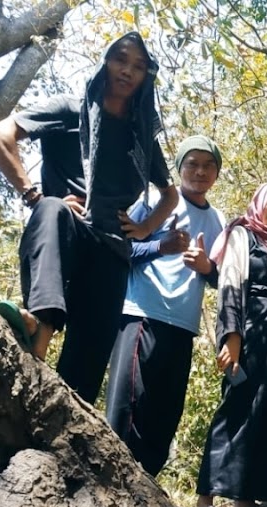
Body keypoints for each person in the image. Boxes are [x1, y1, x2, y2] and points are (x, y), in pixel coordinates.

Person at [0, 32, 178, 405]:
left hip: (113, 249)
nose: (128, 70)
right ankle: (38, 334)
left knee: (82, 379)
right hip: (69, 230)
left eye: (138, 66)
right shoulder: (69, 109)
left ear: (145, 77)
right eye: (121, 59)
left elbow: (169, 194)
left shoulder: (139, 136)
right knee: (52, 209)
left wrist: (144, 228)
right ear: (106, 62)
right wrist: (33, 194)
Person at [105, 135, 225, 476]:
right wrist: (162, 247)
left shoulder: (218, 220)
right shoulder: (155, 203)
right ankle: (115, 481)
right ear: (179, 167)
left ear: (217, 173)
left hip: (183, 325)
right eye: (192, 163)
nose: (200, 171)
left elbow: (219, 275)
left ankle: (147, 485)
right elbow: (118, 250)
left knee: (166, 408)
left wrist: (207, 268)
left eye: (208, 165)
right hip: (141, 313)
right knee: (129, 404)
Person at [195, 180, 267, 507]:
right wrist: (231, 336)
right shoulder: (241, 235)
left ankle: (248, 497)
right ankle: (207, 497)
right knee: (239, 406)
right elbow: (230, 283)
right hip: (252, 329)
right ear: (260, 202)